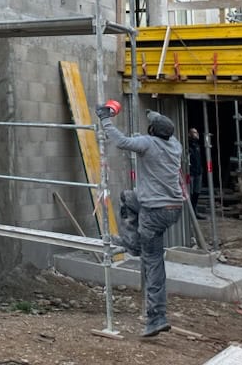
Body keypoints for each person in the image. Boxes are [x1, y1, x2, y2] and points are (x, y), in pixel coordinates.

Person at [96, 102, 184, 338]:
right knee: (128, 197)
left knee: (153, 261)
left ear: (153, 132)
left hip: (154, 212)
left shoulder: (148, 143)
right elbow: (150, 134)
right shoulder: (175, 145)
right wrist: (147, 122)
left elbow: (123, 143)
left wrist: (105, 119)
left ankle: (157, 317)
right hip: (172, 207)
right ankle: (133, 243)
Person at [187, 127, 203, 214]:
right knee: (191, 191)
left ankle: (194, 210)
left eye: (196, 132)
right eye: (194, 132)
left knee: (197, 191)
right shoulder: (188, 145)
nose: (196, 134)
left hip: (198, 171)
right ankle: (191, 212)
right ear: (189, 134)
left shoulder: (197, 145)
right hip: (191, 172)